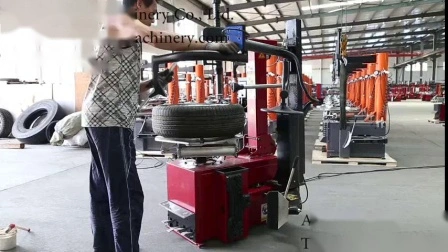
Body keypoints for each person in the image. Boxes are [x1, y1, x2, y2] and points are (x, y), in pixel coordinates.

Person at [81, 0, 239, 251]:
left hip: (101, 119)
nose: (155, 17)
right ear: (138, 4)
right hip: (109, 122)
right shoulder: (122, 22)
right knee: (127, 196)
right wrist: (208, 44)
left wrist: (152, 83)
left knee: (104, 191)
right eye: (152, 11)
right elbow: (157, 36)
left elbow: (119, 85)